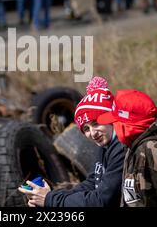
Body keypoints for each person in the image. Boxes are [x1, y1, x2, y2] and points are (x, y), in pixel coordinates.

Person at [18, 77, 125, 207]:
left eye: (96, 123)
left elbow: (101, 201)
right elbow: (92, 183)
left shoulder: (121, 147)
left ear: (110, 118)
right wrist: (52, 196)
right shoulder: (105, 144)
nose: (92, 133)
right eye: (86, 128)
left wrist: (50, 200)